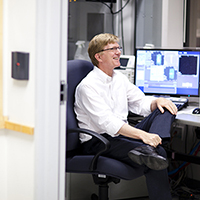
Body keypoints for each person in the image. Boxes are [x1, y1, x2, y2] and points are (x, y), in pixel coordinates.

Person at [74, 33, 178, 200]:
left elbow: (140, 103)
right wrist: (143, 135)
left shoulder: (119, 79)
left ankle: (154, 145)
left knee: (164, 108)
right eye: (112, 49)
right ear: (99, 56)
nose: (118, 52)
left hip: (120, 136)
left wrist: (157, 101)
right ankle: (153, 150)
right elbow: (109, 123)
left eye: (118, 48)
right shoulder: (88, 86)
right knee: (158, 155)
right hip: (98, 141)